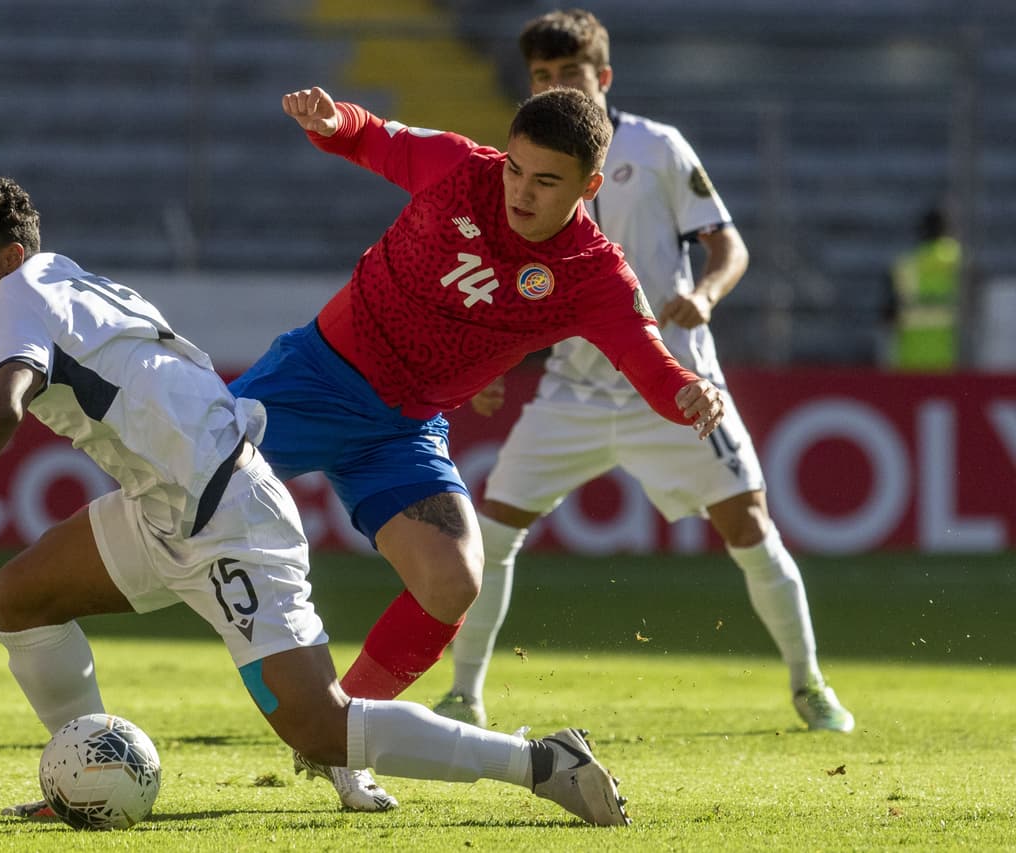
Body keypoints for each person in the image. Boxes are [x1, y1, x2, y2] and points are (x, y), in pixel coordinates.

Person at [0, 172, 632, 827]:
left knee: (319, 729)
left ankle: (540, 761)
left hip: (226, 520)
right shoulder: (69, 282)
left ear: (5, 257)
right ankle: (74, 766)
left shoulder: (18, 299)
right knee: (22, 595)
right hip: (168, 503)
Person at [218, 83, 725, 808]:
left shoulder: (593, 273)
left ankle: (340, 739)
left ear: (589, 186)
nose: (519, 190)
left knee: (453, 581)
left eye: (546, 181)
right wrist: (332, 121)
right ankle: (7, 613)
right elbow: (374, 138)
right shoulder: (460, 168)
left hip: (403, 430)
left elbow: (647, 358)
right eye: (516, 169)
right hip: (313, 380)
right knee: (174, 508)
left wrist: (688, 393)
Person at [431, 9, 854, 735]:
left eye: (571, 74)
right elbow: (511, 275)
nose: (556, 86)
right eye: (541, 76)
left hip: (675, 384)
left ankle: (809, 683)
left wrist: (703, 294)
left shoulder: (656, 147)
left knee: (749, 525)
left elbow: (729, 246)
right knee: (493, 531)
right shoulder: (523, 160)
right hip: (574, 387)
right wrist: (488, 360)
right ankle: (464, 693)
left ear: (604, 77)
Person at [887, 205, 961, 371]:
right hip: (954, 362)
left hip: (910, 362)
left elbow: (887, 318)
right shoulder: (960, 263)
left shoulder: (905, 266)